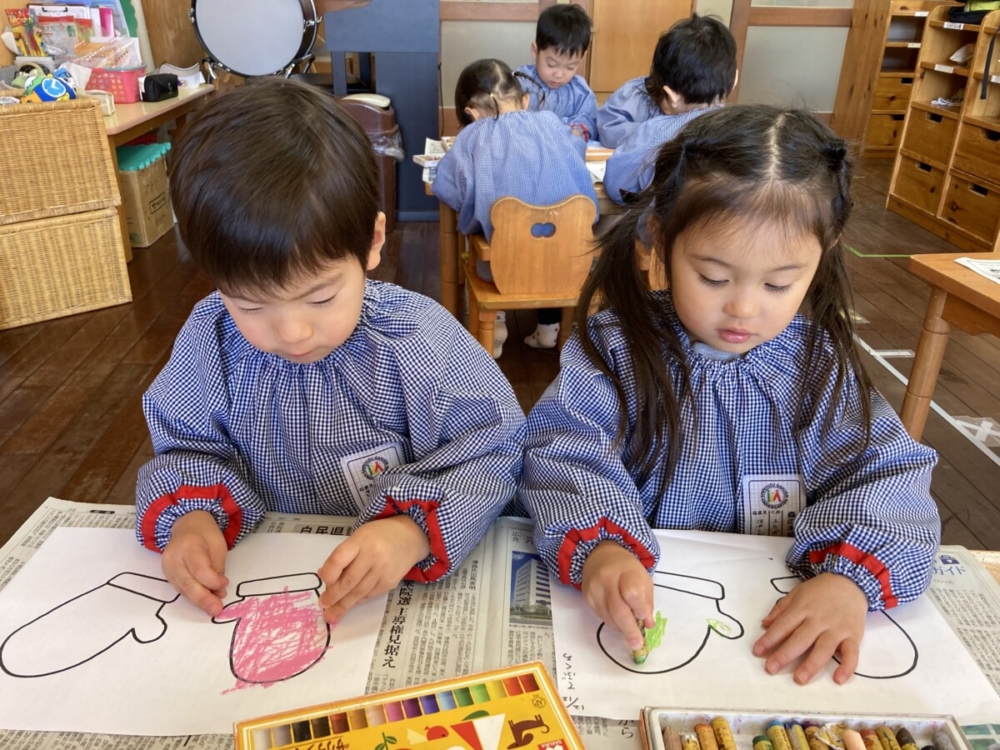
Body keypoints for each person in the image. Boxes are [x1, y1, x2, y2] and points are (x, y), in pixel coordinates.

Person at [519, 105, 941, 686]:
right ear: (661, 240)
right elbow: (563, 452)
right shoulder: (615, 348)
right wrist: (603, 547)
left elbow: (888, 477)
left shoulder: (818, 365)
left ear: (825, 251)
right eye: (714, 278)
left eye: (778, 283)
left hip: (769, 629)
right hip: (651, 614)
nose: (744, 308)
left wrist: (848, 580)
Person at [135, 78, 526, 625]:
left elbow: (494, 449)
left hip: (397, 596)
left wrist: (412, 530)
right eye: (250, 305)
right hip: (268, 582)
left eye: (320, 297)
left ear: (372, 241)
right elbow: (185, 449)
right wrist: (193, 517)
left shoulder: (417, 340)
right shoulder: (210, 340)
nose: (292, 332)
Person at [433, 59, 598, 356]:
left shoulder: (472, 136)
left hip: (500, 268)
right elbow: (578, 162)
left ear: (470, 113)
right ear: (525, 100)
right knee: (553, 235)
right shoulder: (551, 122)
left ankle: (495, 324)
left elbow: (449, 189)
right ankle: (550, 329)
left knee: (484, 234)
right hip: (568, 264)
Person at [602, 14, 736, 204]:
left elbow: (617, 186)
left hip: (664, 230)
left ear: (672, 96)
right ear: (733, 81)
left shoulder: (656, 132)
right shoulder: (742, 126)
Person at [597, 14, 735, 149]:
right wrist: (659, 131)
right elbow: (608, 131)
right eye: (696, 110)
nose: (703, 113)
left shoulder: (712, 102)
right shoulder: (633, 96)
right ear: (671, 96)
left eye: (715, 103)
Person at [514, 3, 598, 142]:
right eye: (551, 64)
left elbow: (588, 123)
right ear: (535, 51)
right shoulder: (520, 83)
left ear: (581, 58)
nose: (559, 74)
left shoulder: (581, 93)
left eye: (570, 67)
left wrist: (575, 134)